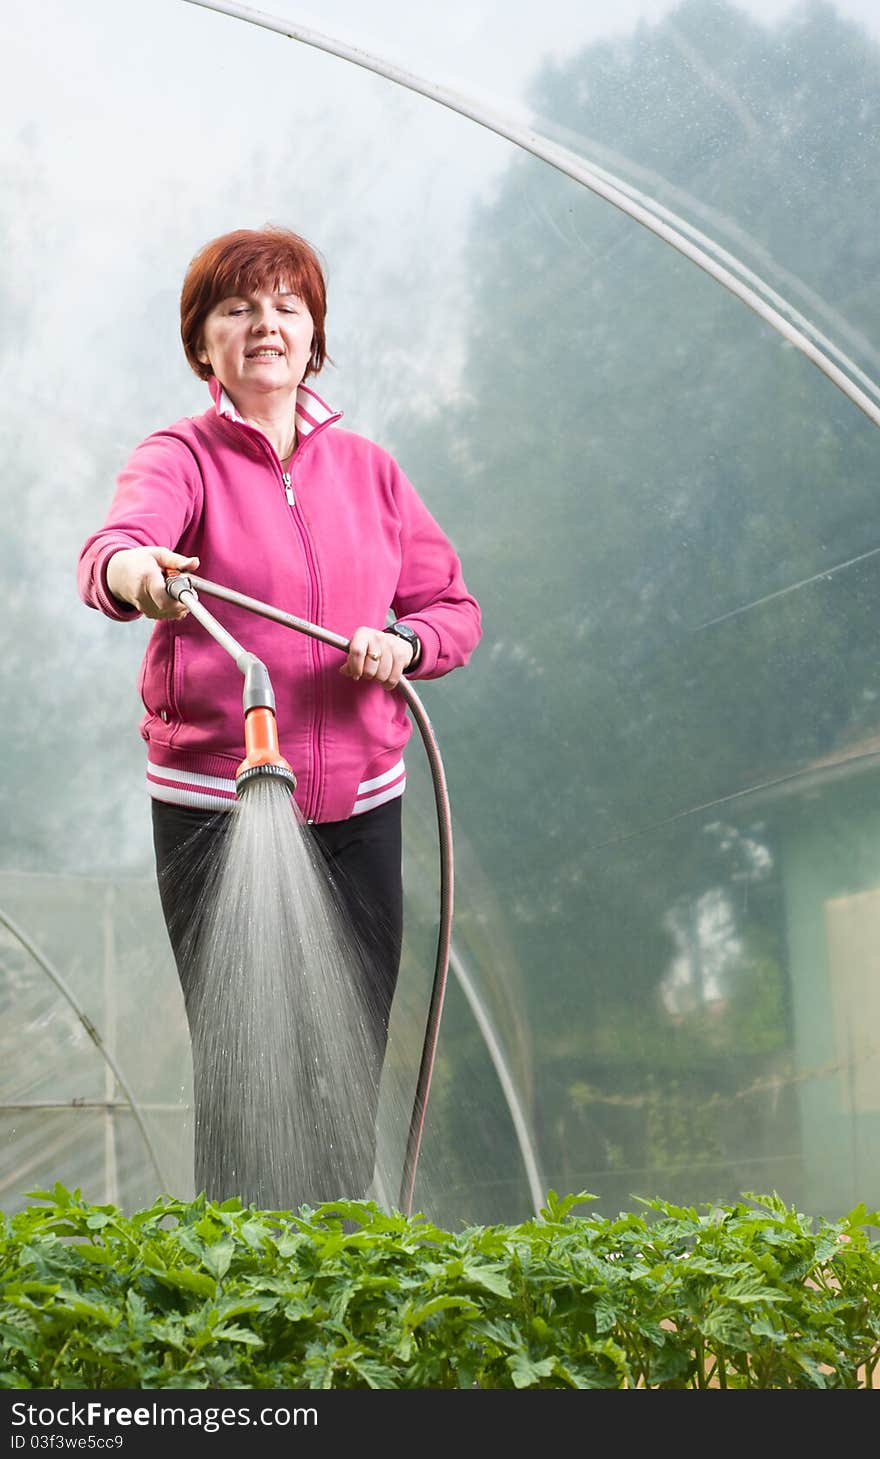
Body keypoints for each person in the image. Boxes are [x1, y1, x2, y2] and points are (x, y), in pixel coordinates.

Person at [77, 225, 481, 1206]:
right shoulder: (180, 457)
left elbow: (451, 607)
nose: (265, 325)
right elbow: (113, 552)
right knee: (244, 1062)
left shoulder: (372, 473)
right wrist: (143, 578)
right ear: (202, 345)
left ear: (314, 336)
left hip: (358, 811)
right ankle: (240, 1296)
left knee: (345, 1059)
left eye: (286, 306)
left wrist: (406, 646)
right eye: (237, 308)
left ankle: (340, 1281)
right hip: (216, 804)